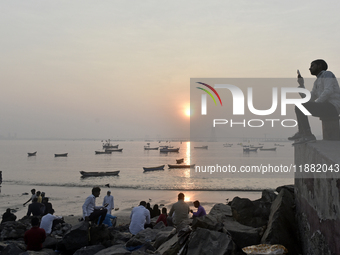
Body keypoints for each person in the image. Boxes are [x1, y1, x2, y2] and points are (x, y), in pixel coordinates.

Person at [289, 59, 340, 145]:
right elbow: (308, 99)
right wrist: (301, 85)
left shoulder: (327, 74)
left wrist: (316, 104)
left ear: (319, 66)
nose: (310, 68)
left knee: (300, 106)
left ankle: (307, 135)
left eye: (312, 66)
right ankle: (303, 132)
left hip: (333, 107)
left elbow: (328, 91)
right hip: (324, 107)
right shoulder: (317, 82)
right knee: (300, 106)